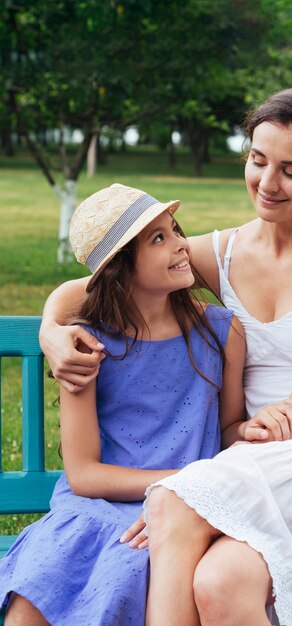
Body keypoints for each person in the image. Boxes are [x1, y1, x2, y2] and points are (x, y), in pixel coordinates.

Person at [39, 89, 292, 626]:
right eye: (258, 161)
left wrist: (204, 486)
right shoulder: (216, 253)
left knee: (172, 505)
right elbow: (92, 285)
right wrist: (50, 332)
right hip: (258, 460)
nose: (267, 184)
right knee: (220, 584)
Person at [0, 183, 252, 626]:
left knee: (129, 572)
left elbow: (231, 428)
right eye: (158, 239)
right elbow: (83, 474)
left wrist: (215, 469)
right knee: (29, 606)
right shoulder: (87, 344)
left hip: (188, 509)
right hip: (98, 508)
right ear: (120, 270)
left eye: (174, 230)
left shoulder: (221, 334)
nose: (180, 245)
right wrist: (180, 481)